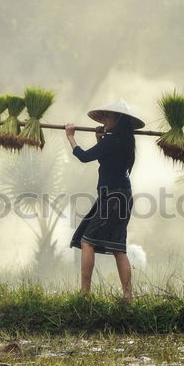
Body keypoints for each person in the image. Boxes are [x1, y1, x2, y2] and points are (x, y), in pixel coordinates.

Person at [64, 99, 144, 301]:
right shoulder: (125, 141)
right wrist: (100, 139)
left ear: (119, 119)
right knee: (118, 247)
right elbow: (106, 159)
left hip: (112, 197)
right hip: (123, 195)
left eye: (109, 116)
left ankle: (85, 294)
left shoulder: (112, 140)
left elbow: (83, 156)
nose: (106, 120)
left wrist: (70, 136)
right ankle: (128, 296)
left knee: (87, 241)